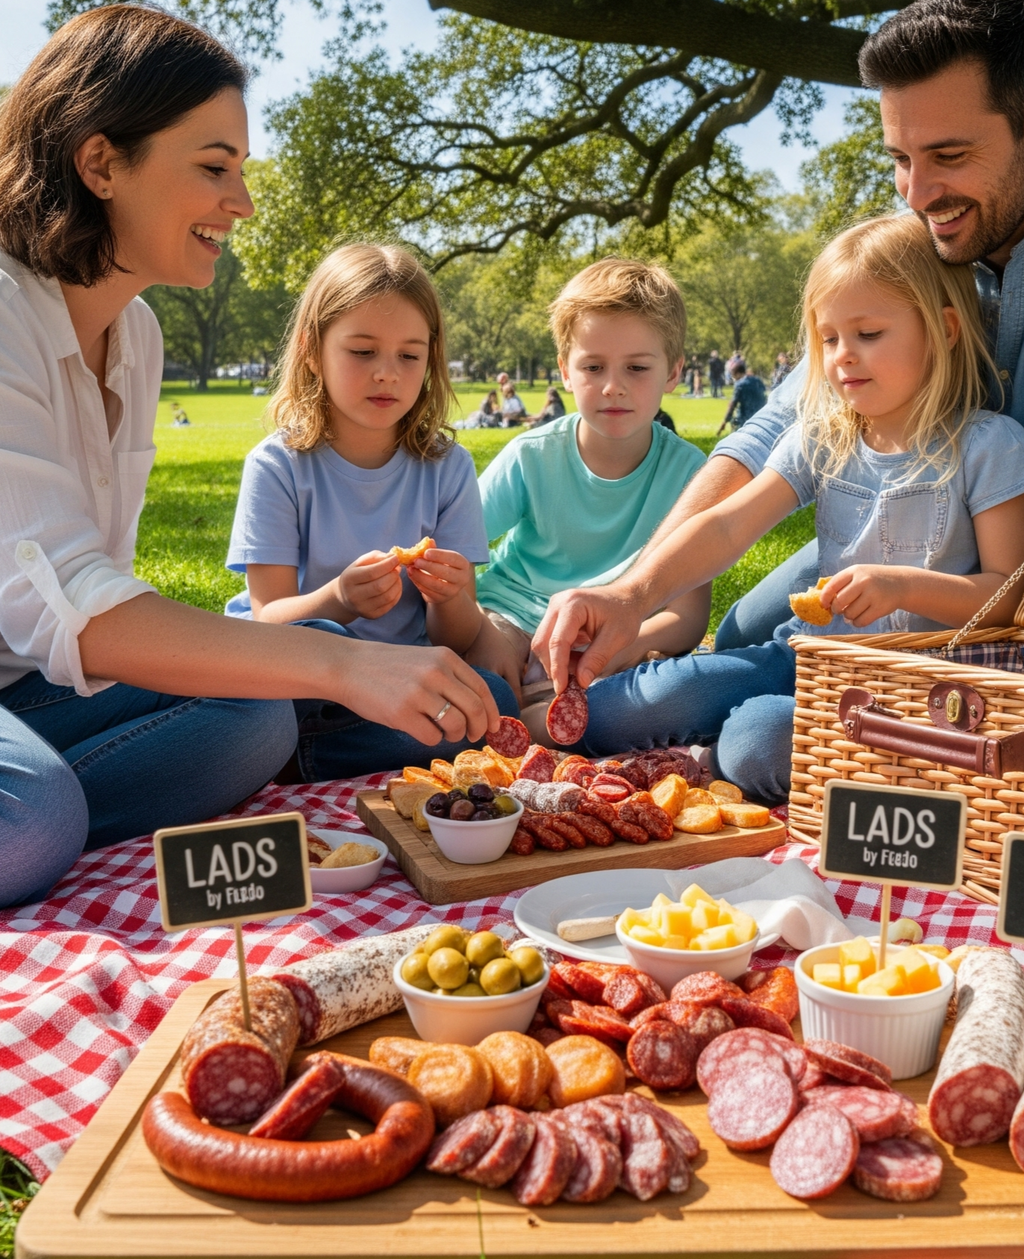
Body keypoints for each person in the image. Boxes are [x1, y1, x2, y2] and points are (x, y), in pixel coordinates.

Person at [0, 6, 501, 909]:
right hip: (41, 679)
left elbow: (86, 619)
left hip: (30, 688)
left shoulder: (136, 333)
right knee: (32, 811)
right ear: (102, 161)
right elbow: (81, 608)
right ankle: (46, 814)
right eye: (213, 168)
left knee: (254, 715)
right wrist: (345, 661)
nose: (242, 202)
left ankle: (54, 809)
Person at [543, 0, 1024, 664]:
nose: (914, 193)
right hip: (889, 541)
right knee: (740, 633)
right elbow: (774, 431)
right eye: (900, 159)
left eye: (947, 154)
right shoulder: (922, 258)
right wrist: (632, 594)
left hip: (976, 608)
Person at [539, 215, 1024, 800]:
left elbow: (1003, 599)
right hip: (802, 657)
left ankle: (726, 751)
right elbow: (725, 525)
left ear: (945, 329)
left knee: (757, 741)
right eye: (829, 339)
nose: (843, 356)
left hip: (914, 685)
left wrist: (900, 587)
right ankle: (716, 744)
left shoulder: (988, 446)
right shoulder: (824, 436)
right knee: (611, 712)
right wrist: (630, 594)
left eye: (868, 334)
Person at [225, 244, 516, 781]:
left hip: (398, 686)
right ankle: (294, 750)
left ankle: (301, 760)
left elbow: (454, 637)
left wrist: (449, 596)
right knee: (316, 650)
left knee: (492, 698)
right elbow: (267, 621)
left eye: (409, 356)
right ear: (314, 350)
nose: (387, 374)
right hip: (293, 683)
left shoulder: (447, 468)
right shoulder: (277, 466)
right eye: (362, 352)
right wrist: (338, 599)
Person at [465, 258, 709, 727]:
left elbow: (688, 617)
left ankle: (534, 730)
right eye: (593, 366)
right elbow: (454, 549)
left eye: (637, 367)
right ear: (564, 370)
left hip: (614, 636)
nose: (613, 387)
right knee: (486, 684)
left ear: (674, 372)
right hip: (511, 619)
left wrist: (619, 649)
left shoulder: (692, 474)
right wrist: (481, 626)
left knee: (661, 694)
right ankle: (517, 721)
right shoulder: (532, 455)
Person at [716, 359, 767, 435]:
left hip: (745, 417)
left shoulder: (740, 385)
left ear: (738, 374)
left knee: (735, 423)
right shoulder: (757, 380)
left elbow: (733, 404)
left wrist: (725, 422)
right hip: (761, 415)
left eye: (734, 376)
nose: (734, 379)